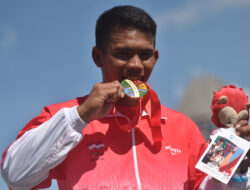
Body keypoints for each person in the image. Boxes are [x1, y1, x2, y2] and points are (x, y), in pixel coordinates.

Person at [1, 5, 250, 190]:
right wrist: (82, 116)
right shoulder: (68, 116)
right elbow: (15, 175)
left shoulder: (182, 126)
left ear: (156, 57)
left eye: (145, 55)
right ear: (98, 56)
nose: (135, 66)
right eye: (123, 53)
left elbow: (208, 186)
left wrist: (235, 157)